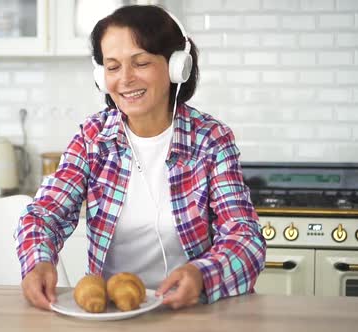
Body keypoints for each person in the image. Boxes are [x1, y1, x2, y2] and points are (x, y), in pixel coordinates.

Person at [15, 5, 266, 311]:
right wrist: (37, 262)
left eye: (141, 63)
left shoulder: (210, 139)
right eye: (112, 67)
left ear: (177, 66)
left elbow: (245, 237)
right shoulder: (93, 138)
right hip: (110, 312)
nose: (126, 79)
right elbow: (43, 214)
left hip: (192, 311)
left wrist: (202, 275)